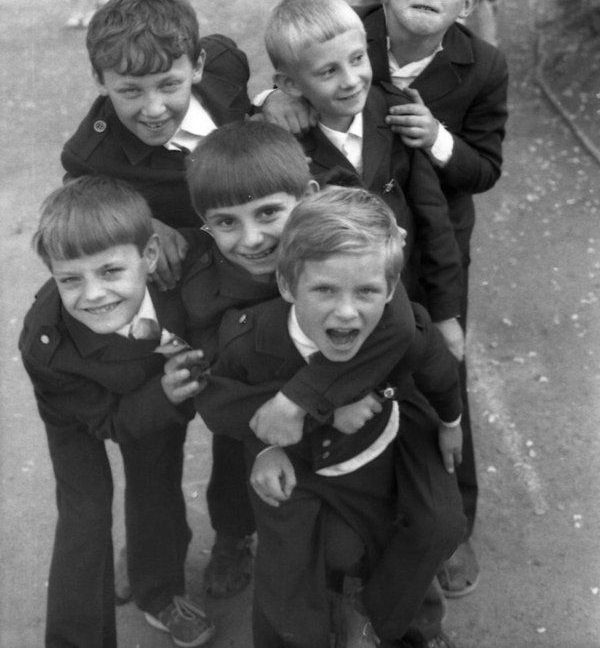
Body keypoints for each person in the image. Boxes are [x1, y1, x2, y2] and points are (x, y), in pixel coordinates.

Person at [261, 0, 509, 603]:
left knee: (441, 372)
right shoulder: (349, 33)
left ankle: (453, 521)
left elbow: (485, 168)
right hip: (346, 253)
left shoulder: (483, 65)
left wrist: (435, 137)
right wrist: (271, 97)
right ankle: (355, 508)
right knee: (356, 367)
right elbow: (298, 64)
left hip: (432, 240)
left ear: (468, 1)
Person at [195, 185, 466, 648]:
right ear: (287, 285)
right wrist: (270, 446)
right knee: (288, 579)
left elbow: (439, 371)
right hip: (297, 464)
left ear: (391, 290)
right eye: (323, 289)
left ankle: (384, 621)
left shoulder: (402, 330)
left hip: (378, 452)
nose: (346, 312)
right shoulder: (247, 341)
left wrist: (451, 422)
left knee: (438, 527)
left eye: (367, 291)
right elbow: (218, 403)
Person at [180, 120, 422, 605]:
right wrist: (305, 414)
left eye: (269, 213)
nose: (252, 239)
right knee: (237, 478)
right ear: (205, 222)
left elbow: (399, 323)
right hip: (258, 418)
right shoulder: (204, 291)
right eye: (226, 222)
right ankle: (233, 536)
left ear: (308, 197)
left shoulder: (340, 239)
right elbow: (215, 390)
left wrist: (303, 399)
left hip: (353, 398)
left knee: (389, 496)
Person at [18, 175, 214, 648]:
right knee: (84, 514)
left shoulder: (186, 265)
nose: (93, 295)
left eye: (110, 271)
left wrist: (163, 397)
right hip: (78, 407)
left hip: (154, 381)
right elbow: (107, 422)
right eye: (70, 279)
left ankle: (159, 592)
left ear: (150, 256)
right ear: (52, 273)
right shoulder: (45, 345)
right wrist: (162, 395)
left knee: (156, 481)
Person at [263, 0, 464, 361]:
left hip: (407, 296)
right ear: (289, 85)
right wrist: (264, 100)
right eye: (328, 71)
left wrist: (445, 312)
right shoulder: (282, 147)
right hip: (336, 316)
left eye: (357, 59)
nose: (351, 80)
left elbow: (434, 219)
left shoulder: (396, 112)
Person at [60, 0, 252, 294]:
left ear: (198, 66)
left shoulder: (225, 63)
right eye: (130, 90)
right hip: (200, 280)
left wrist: (278, 96)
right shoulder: (91, 154)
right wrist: (138, 225)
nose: (153, 109)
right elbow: (77, 200)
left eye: (168, 85)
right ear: (100, 80)